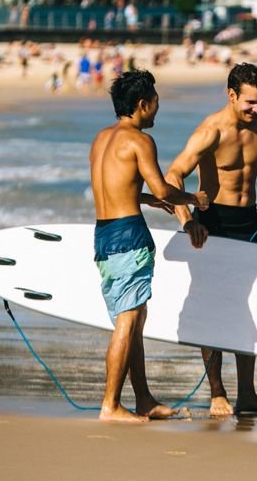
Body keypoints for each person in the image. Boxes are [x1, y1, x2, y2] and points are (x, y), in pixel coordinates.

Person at [166, 62, 257, 417]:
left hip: (247, 222)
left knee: (247, 306)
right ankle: (217, 393)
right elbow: (173, 175)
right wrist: (188, 221)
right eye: (250, 102)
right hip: (212, 223)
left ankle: (247, 394)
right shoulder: (211, 131)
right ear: (231, 95)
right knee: (214, 307)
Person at [89, 70, 209, 423]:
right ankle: (110, 405)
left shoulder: (100, 140)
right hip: (129, 235)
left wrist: (147, 200)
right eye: (155, 102)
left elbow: (114, 188)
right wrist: (192, 198)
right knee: (128, 320)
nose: (157, 108)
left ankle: (143, 399)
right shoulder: (139, 141)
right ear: (142, 105)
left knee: (134, 317)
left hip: (104, 234)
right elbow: (162, 189)